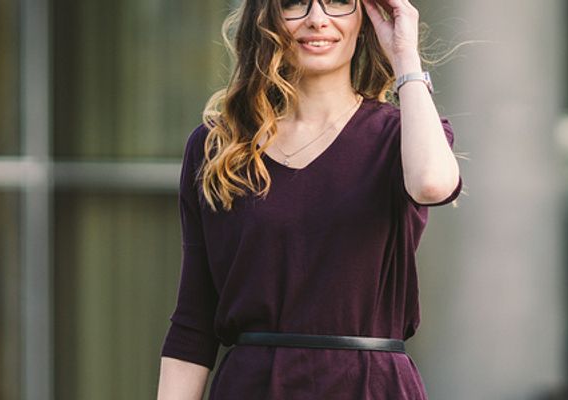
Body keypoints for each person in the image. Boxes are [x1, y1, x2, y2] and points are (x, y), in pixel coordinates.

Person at [157, 0, 463, 398]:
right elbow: (194, 321)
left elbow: (433, 185)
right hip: (253, 387)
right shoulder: (218, 146)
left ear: (365, 17)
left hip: (370, 387)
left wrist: (405, 56)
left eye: (338, 2)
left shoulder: (400, 134)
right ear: (267, 18)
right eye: (294, 3)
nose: (317, 19)